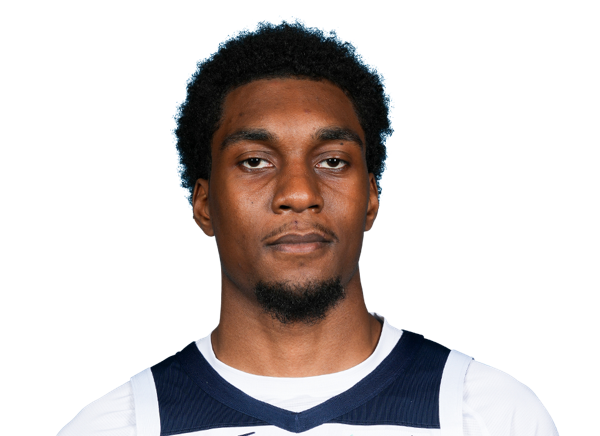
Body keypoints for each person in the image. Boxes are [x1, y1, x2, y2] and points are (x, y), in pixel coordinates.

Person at [58, 18, 559, 436]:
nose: (299, 193)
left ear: (371, 198)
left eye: (333, 161)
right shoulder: (117, 427)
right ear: (204, 204)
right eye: (255, 161)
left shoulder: (491, 415)